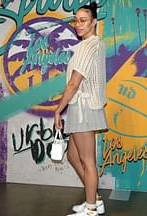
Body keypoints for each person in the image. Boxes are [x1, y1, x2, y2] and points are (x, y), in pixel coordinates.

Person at [54, 2, 107, 216]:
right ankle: (95, 199)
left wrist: (58, 110)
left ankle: (92, 209)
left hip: (84, 107)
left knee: (88, 162)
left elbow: (74, 83)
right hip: (80, 107)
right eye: (76, 20)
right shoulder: (92, 44)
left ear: (94, 22)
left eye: (83, 20)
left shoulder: (89, 45)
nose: (78, 24)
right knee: (72, 157)